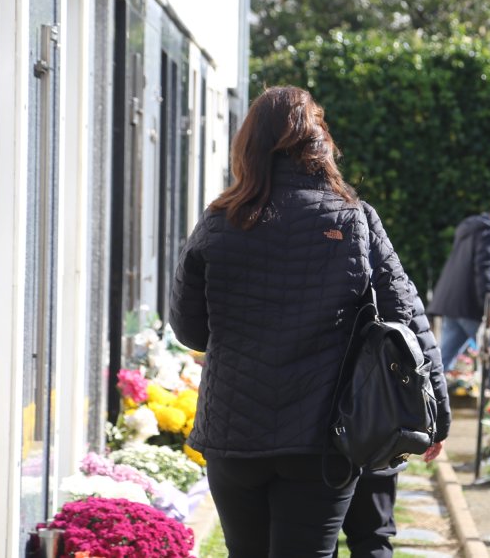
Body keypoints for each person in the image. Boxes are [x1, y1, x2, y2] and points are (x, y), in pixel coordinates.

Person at [168, 85, 448, 557]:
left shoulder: (218, 220)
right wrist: (436, 413)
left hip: (232, 432)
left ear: (248, 146)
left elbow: (189, 330)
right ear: (320, 145)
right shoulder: (354, 219)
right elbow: (407, 316)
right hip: (319, 437)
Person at [342, 288, 450, 558]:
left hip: (317, 428)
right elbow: (425, 350)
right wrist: (439, 424)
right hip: (381, 423)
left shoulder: (304, 270)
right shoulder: (390, 274)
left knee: (316, 540)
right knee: (373, 537)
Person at [428, 195, 490, 410]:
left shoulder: (471, 229)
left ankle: (418, 404)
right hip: (473, 307)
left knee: (440, 362)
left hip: (452, 305)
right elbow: (486, 269)